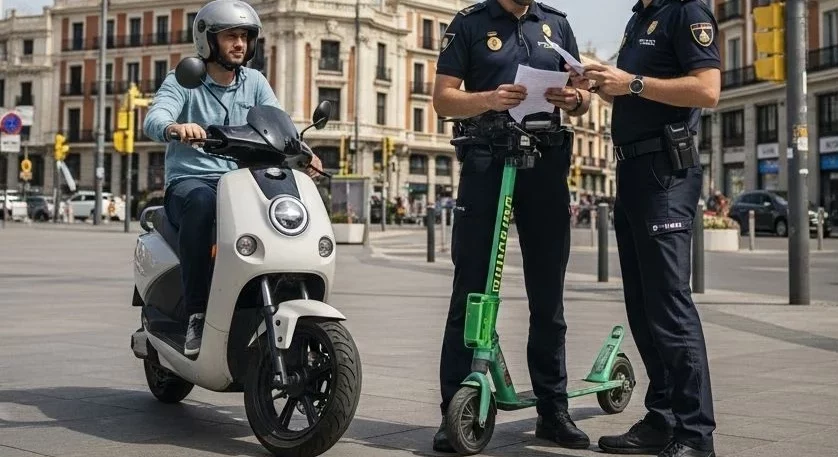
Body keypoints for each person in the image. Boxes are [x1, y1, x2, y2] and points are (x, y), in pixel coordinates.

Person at [432, 0, 593, 451]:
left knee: (548, 294)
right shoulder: (469, 23)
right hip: (486, 163)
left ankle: (553, 409)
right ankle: (454, 411)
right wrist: (488, 98)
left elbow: (582, 94)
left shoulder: (556, 24)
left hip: (546, 165)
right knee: (470, 290)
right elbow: (443, 99)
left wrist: (576, 98)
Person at [574, 0, 721, 456]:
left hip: (665, 173)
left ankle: (695, 436)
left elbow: (707, 90)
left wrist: (631, 81)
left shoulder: (687, 11)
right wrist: (602, 84)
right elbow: (634, 93)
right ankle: (662, 419)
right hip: (633, 172)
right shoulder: (640, 17)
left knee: (670, 307)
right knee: (643, 306)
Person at [143, 0, 322, 356]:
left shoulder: (254, 81)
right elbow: (154, 117)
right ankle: (196, 312)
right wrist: (175, 127)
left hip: (242, 183)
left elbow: (277, 120)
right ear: (208, 41)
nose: (239, 43)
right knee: (203, 203)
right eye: (230, 36)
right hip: (192, 183)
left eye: (244, 36)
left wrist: (303, 150)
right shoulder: (184, 78)